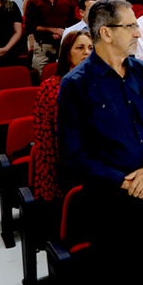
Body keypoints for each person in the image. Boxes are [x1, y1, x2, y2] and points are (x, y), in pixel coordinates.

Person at [58, 0, 143, 285]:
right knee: (118, 281)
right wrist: (126, 182)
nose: (138, 33)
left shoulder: (140, 71)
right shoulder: (75, 84)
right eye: (131, 26)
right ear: (107, 33)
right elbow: (74, 153)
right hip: (109, 203)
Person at [32, 30, 93, 203]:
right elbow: (44, 138)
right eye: (80, 48)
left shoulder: (100, 83)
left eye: (91, 48)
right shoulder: (49, 88)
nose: (87, 52)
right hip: (64, 164)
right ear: (67, 52)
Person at [25, 0, 78, 77]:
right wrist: (53, 30)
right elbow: (30, 26)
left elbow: (75, 21)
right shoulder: (32, 2)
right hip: (43, 45)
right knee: (38, 71)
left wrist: (63, 32)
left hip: (65, 44)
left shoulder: (66, 0)